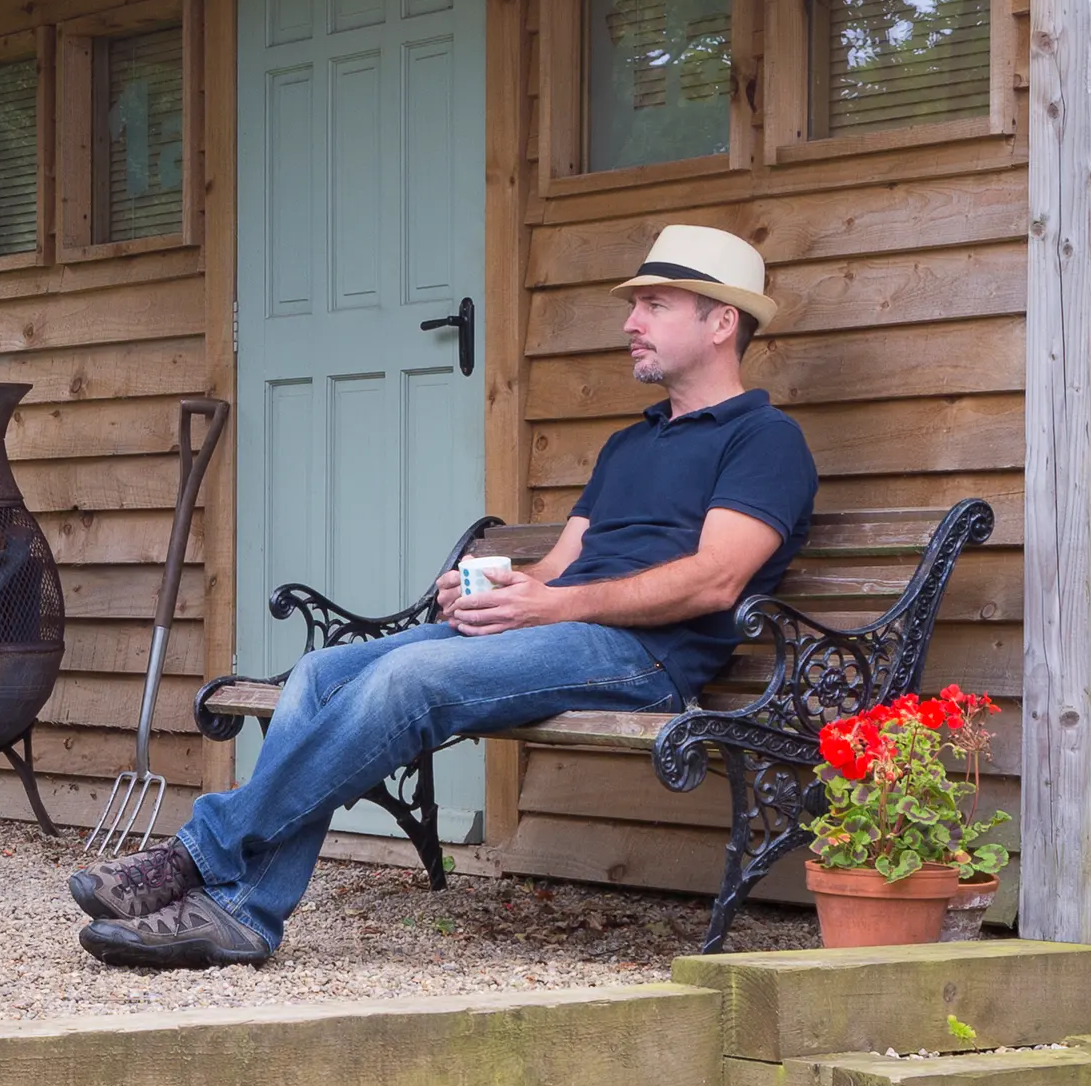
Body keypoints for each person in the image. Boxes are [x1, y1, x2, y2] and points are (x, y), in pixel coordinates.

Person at [67, 224, 820, 970]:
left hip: (646, 658)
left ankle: (204, 853)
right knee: (317, 675)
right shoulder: (633, 443)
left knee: (410, 680)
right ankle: (244, 912)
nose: (630, 322)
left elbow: (716, 578)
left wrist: (551, 607)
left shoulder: (764, 440)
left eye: (654, 304)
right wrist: (489, 591)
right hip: (561, 633)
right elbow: (561, 566)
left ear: (722, 321)